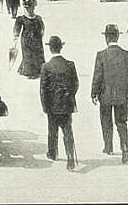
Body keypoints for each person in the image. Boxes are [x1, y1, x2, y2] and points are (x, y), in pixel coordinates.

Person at [91, 24, 128, 164]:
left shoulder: (101, 55)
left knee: (106, 122)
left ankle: (108, 146)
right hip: (122, 96)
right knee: (122, 122)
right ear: (117, 36)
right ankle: (125, 148)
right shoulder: (127, 55)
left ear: (106, 37)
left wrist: (94, 93)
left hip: (105, 95)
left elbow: (97, 76)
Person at [40, 36, 78, 171]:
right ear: (61, 47)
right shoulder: (70, 64)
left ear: (50, 48)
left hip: (52, 105)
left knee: (52, 130)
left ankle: (53, 153)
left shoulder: (46, 67)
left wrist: (45, 106)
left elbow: (43, 89)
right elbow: (75, 84)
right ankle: (70, 158)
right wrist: (69, 95)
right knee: (68, 131)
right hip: (67, 104)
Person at [13, 0, 46, 79]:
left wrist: (41, 35)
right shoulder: (21, 18)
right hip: (26, 39)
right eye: (26, 8)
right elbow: (17, 28)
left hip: (37, 39)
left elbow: (42, 27)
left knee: (38, 54)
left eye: (30, 8)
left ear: (33, 8)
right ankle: (30, 72)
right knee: (28, 55)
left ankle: (38, 71)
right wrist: (16, 36)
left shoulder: (38, 18)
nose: (28, 10)